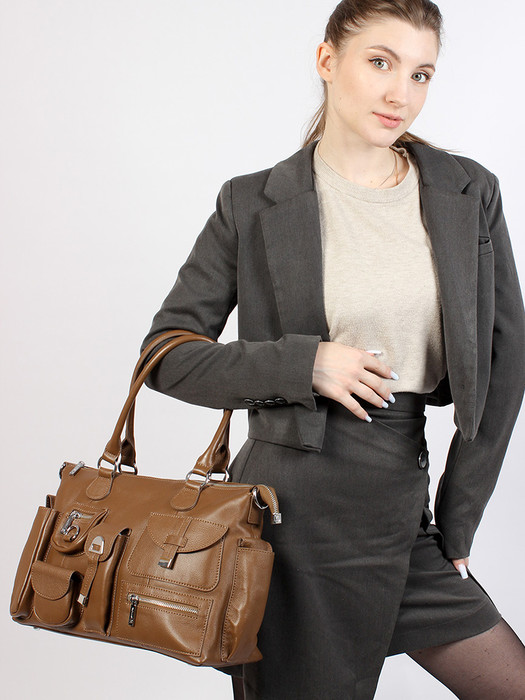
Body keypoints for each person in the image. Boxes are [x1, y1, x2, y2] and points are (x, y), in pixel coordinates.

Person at [140, 1, 525, 697]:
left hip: (403, 510)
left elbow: (505, 361)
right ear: (327, 60)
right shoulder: (251, 202)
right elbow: (164, 355)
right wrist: (302, 363)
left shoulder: (467, 191)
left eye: (420, 74)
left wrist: (459, 517)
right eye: (379, 62)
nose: (399, 93)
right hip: (289, 515)